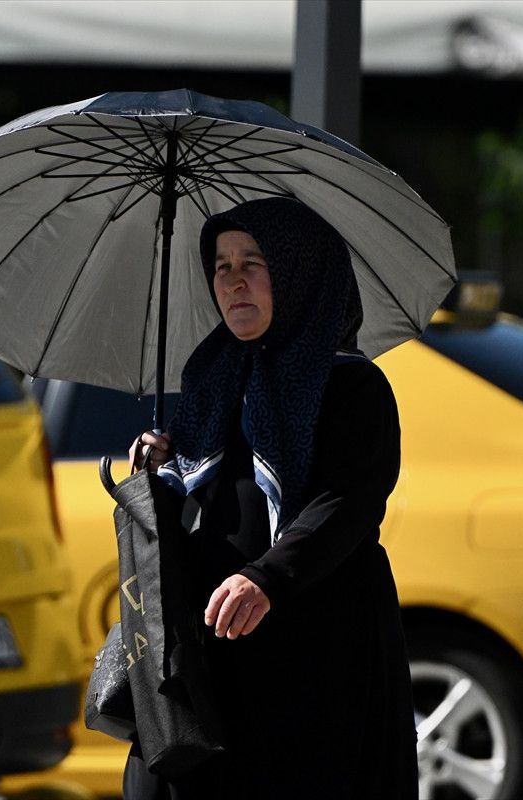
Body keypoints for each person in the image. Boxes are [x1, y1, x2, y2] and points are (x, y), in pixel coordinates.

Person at [122, 197, 418, 799]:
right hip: (214, 663)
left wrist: (267, 579)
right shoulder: (211, 378)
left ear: (299, 272)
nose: (232, 281)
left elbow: (348, 500)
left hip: (318, 657)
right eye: (221, 265)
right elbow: (193, 509)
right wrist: (151, 472)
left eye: (253, 262)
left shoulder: (351, 385)